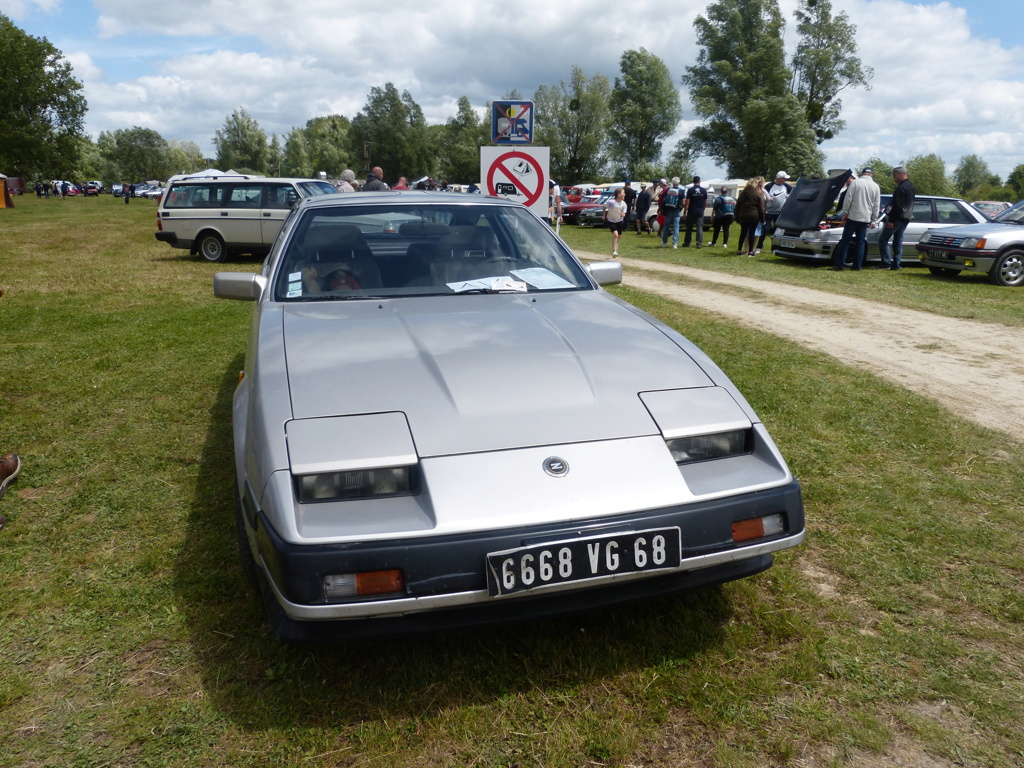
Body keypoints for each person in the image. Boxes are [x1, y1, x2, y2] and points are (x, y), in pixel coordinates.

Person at [832, 167, 881, 271]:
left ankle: (840, 265)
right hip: (865, 218)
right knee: (861, 242)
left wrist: (844, 213)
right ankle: (857, 266)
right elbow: (876, 205)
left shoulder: (856, 183)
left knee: (845, 241)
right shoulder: (876, 187)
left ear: (862, 173)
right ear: (871, 174)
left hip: (853, 216)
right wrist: (874, 219)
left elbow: (848, 199)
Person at [877, 166, 916, 271]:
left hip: (897, 218)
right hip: (906, 218)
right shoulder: (911, 186)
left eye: (894, 175)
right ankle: (896, 264)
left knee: (883, 240)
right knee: (898, 241)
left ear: (899, 174)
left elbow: (897, 206)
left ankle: (885, 262)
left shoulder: (900, 188)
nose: (894, 178)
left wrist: (891, 220)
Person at [756, 171, 793, 253]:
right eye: (784, 178)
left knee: (777, 231)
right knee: (765, 229)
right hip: (768, 212)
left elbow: (794, 192)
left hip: (779, 213)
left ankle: (774, 248)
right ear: (779, 178)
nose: (785, 180)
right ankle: (759, 247)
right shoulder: (769, 186)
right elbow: (762, 197)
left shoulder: (786, 186)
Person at [734, 177, 766, 257]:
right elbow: (761, 209)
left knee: (743, 233)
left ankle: (739, 250)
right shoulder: (757, 195)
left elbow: (737, 207)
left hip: (743, 216)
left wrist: (737, 217)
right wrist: (763, 219)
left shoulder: (742, 194)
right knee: (752, 234)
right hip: (754, 216)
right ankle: (751, 251)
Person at [682, 175, 709, 248]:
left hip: (691, 211)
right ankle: (699, 243)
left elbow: (687, 202)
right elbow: (705, 202)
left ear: (693, 182)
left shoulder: (690, 190)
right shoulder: (703, 190)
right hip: (700, 211)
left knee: (689, 227)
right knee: (699, 227)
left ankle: (687, 242)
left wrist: (685, 212)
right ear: (700, 182)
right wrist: (703, 209)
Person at [603, 187, 628, 256]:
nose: (624, 194)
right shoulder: (611, 202)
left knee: (619, 236)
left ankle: (615, 244)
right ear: (619, 194)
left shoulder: (623, 204)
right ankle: (614, 251)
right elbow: (604, 206)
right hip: (611, 221)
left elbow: (624, 213)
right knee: (615, 235)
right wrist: (604, 215)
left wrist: (623, 214)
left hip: (619, 221)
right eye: (623, 193)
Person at [659, 177, 683, 248]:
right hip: (677, 210)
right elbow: (683, 202)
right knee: (676, 227)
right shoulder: (681, 191)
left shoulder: (668, 190)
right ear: (678, 183)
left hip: (669, 209)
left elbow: (664, 199)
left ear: (672, 183)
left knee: (666, 226)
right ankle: (674, 243)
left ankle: (664, 242)